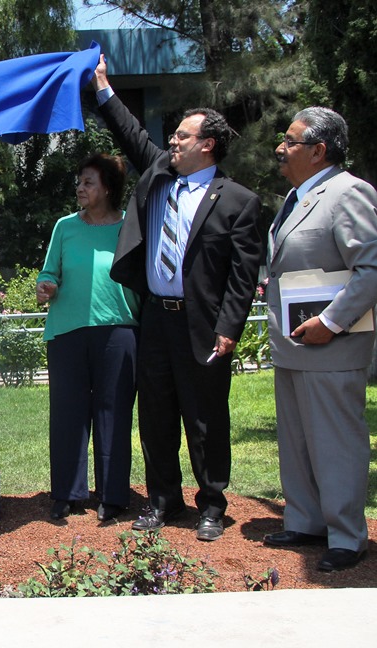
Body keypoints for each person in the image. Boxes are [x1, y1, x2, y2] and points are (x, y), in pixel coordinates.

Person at [90, 54, 262, 541]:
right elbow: (130, 135)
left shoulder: (238, 201)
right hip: (156, 321)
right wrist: (103, 87)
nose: (172, 142)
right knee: (157, 415)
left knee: (205, 420)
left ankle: (211, 504)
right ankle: (164, 500)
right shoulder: (159, 175)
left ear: (206, 145)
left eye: (183, 137)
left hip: (203, 325)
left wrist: (229, 328)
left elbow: (242, 276)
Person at [262, 107, 377, 572]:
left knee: (335, 441)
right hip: (294, 345)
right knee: (298, 441)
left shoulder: (349, 193)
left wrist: (331, 322)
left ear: (318, 150)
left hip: (331, 345)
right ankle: (306, 520)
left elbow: (370, 268)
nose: (280, 148)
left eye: (289, 141)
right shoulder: (296, 197)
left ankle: (347, 536)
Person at [36, 153, 140, 523]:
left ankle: (112, 496)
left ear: (108, 189)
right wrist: (45, 285)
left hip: (119, 330)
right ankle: (67, 493)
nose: (80, 188)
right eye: (79, 181)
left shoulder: (130, 228)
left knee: (113, 414)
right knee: (68, 414)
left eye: (89, 182)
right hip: (67, 332)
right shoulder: (64, 227)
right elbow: (49, 271)